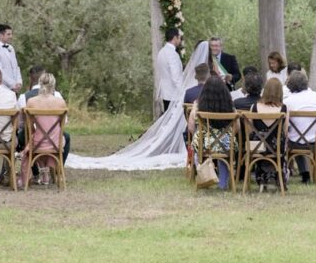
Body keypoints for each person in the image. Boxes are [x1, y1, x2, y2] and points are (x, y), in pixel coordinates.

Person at [66, 40, 212, 172]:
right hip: (188, 112)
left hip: (179, 106)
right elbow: (175, 77)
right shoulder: (206, 90)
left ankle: (189, 152)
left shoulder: (188, 90)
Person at [187, 75, 237, 190]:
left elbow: (190, 127)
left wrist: (200, 135)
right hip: (226, 144)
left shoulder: (199, 105)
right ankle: (223, 183)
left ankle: (203, 178)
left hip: (204, 144)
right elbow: (237, 128)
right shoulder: (230, 106)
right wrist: (227, 136)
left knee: (197, 144)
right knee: (224, 148)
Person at [18, 72, 67, 189]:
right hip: (56, 143)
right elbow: (63, 124)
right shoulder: (60, 102)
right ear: (53, 85)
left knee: (33, 142)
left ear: (39, 84)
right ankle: (47, 172)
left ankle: (40, 171)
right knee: (60, 138)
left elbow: (28, 125)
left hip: (38, 143)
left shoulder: (31, 102)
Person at [283, 70, 316, 184]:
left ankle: (304, 173)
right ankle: (314, 170)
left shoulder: (287, 102)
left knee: (293, 137)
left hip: (297, 142)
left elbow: (285, 125)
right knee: (299, 136)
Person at [249, 76, 288, 191]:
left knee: (257, 141)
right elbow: (285, 131)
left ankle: (263, 176)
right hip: (276, 147)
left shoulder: (254, 107)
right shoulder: (284, 109)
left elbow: (250, 130)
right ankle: (275, 175)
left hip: (256, 147)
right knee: (280, 141)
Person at [0, 23, 23, 93]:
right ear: (1, 35)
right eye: (8, 34)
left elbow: (16, 67)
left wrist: (19, 82)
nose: (11, 36)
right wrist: (12, 84)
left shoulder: (10, 48)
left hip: (15, 88)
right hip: (2, 88)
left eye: (11, 34)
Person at [156, 27, 184, 112]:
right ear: (175, 38)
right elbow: (176, 77)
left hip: (165, 92)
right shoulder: (172, 54)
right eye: (179, 37)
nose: (180, 40)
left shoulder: (161, 52)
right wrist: (183, 93)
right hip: (173, 94)